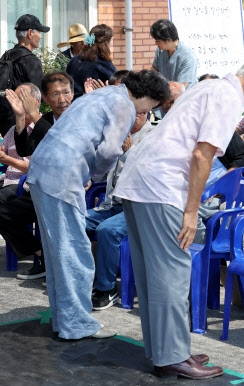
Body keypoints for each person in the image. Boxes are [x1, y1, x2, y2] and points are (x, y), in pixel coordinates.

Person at [113, 56, 244, 379]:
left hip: (140, 182)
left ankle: (165, 349)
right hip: (161, 187)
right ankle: (172, 355)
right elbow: (201, 154)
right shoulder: (228, 98)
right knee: (172, 273)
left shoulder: (209, 87)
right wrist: (191, 212)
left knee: (154, 274)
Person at [26, 70, 170, 342]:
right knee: (73, 250)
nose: (148, 112)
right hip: (62, 174)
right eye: (152, 106)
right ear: (147, 97)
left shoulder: (104, 94)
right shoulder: (124, 105)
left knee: (58, 250)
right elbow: (108, 152)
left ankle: (64, 319)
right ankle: (77, 324)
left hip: (43, 169)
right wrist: (95, 174)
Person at [0, 72, 74, 280]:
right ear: (47, 98)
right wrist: (20, 116)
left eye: (66, 92)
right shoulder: (46, 119)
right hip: (41, 192)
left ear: (73, 93)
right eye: (56, 94)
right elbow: (24, 148)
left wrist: (35, 115)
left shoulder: (77, 119)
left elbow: (59, 143)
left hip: (67, 194)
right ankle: (42, 255)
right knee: (3, 210)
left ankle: (59, 264)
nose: (62, 99)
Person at [87, 109, 154, 310]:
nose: (132, 118)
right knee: (75, 219)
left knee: (108, 231)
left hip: (138, 207)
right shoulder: (117, 136)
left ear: (147, 113)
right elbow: (99, 175)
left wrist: (130, 152)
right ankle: (83, 278)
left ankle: (107, 289)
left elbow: (150, 176)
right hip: (112, 204)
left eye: (138, 113)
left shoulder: (154, 137)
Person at [0, 14, 48, 137]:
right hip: (21, 119)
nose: (41, 37)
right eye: (39, 32)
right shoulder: (31, 60)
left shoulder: (6, 55)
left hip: (4, 115)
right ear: (30, 33)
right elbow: (39, 96)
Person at [0, 83, 40, 204]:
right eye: (14, 99)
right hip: (6, 180)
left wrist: (7, 159)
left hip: (25, 185)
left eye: (22, 98)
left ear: (36, 102)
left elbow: (37, 169)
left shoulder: (43, 129)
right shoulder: (13, 129)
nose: (16, 103)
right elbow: (2, 153)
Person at [66, 24, 117, 100]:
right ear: (106, 43)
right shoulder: (103, 63)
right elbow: (118, 86)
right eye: (111, 41)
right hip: (95, 106)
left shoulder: (74, 61)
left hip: (74, 106)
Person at [150, 19, 198, 89]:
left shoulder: (187, 56)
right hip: (166, 94)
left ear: (169, 40)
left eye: (158, 41)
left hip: (184, 96)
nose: (156, 44)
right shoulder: (160, 50)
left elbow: (180, 87)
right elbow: (155, 69)